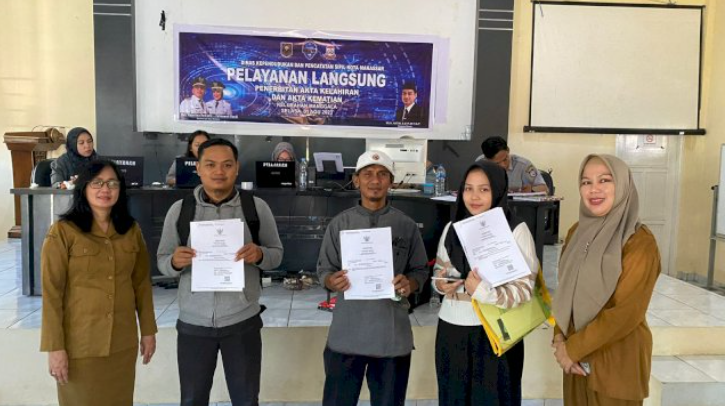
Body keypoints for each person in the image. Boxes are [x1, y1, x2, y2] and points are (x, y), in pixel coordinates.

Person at [157, 138, 283, 406]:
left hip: (242, 320)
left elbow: (277, 254)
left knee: (246, 399)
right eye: (210, 164)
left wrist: (260, 255)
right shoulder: (180, 210)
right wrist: (175, 262)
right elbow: (162, 259)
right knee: (192, 399)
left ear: (236, 168)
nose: (219, 171)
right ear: (198, 169)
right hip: (193, 322)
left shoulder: (255, 207)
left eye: (227, 165)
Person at [40, 159, 157, 406]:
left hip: (121, 344)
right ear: (84, 187)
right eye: (97, 183)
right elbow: (52, 294)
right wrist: (55, 347)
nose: (105, 189)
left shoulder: (130, 230)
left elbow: (141, 285)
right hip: (80, 345)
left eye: (112, 183)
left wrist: (148, 330)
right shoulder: (63, 231)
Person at [317, 150, 429, 406]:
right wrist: (332, 281)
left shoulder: (406, 225)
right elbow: (323, 270)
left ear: (391, 181)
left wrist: (409, 284)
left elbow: (421, 271)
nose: (375, 180)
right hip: (346, 335)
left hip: (391, 338)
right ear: (356, 180)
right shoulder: (339, 224)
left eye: (382, 174)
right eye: (367, 174)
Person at [551, 154, 661, 406]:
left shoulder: (639, 242)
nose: (594, 189)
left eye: (604, 180)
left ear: (622, 185)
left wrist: (572, 349)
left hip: (616, 367)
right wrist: (559, 337)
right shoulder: (576, 232)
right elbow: (566, 291)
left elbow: (626, 312)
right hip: (576, 367)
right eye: (586, 182)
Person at [432, 160, 539, 406]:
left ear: (498, 190)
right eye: (468, 189)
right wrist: (441, 284)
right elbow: (438, 271)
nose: (474, 197)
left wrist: (483, 292)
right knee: (453, 398)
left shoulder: (516, 230)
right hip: (452, 328)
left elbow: (525, 290)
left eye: (484, 189)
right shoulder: (452, 228)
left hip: (496, 331)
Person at [478, 136, 549, 194]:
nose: (503, 165)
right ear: (487, 159)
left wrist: (531, 190)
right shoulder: (481, 164)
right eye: (497, 163)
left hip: (517, 206)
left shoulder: (523, 165)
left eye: (505, 159)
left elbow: (544, 189)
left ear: (508, 150)